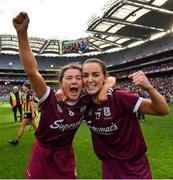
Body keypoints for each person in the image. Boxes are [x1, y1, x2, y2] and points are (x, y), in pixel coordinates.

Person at [12, 12, 115, 179]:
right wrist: (22, 33)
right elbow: (32, 72)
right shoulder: (49, 98)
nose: (74, 81)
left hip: (65, 155)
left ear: (83, 84)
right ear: (61, 83)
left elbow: (109, 78)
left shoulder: (86, 98)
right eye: (69, 78)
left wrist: (104, 89)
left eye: (78, 78)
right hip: (42, 153)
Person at [82, 58, 169, 179]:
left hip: (134, 167)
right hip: (109, 166)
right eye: (85, 75)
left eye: (95, 75)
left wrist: (149, 88)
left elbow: (162, 110)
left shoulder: (119, 96)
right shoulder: (83, 102)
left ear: (104, 77)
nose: (90, 79)